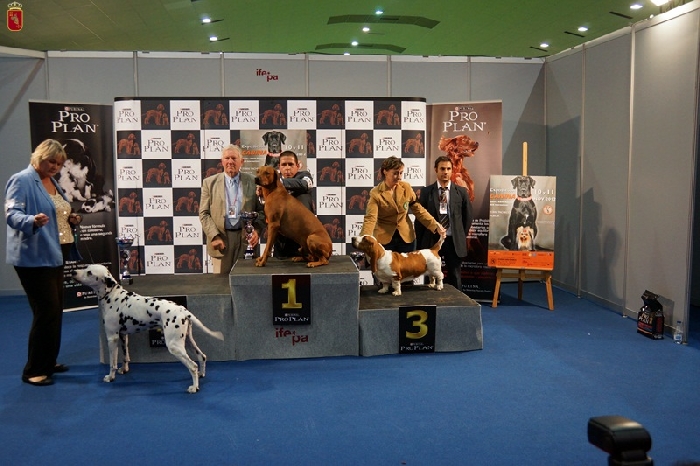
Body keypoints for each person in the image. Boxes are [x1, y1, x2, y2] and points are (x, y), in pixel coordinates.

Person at [5, 139, 83, 386]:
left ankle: (48, 361)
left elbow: (57, 212)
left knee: (55, 311)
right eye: (51, 161)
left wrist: (71, 218)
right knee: (46, 312)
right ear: (39, 157)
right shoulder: (21, 180)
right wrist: (31, 220)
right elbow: (11, 214)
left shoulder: (52, 182)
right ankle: (34, 370)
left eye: (59, 163)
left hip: (55, 254)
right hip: (34, 257)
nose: (55, 167)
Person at [199, 144, 265, 274]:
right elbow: (204, 213)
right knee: (220, 283)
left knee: (246, 279)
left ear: (242, 161)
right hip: (221, 239)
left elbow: (262, 211)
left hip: (246, 239)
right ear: (222, 161)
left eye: (234, 158)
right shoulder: (209, 183)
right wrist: (214, 236)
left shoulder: (254, 182)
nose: (230, 161)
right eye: (227, 158)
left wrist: (256, 231)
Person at [360, 156, 444, 253]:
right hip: (384, 240)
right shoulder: (375, 193)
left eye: (401, 173)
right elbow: (370, 218)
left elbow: (419, 210)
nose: (399, 177)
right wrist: (364, 238)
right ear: (385, 172)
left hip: (407, 239)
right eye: (395, 173)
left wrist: (435, 225)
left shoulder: (406, 187)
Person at [416, 155, 473, 292]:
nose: (445, 172)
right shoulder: (426, 192)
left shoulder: (461, 192)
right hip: (432, 240)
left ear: (452, 170)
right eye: (442, 169)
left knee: (455, 275)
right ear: (436, 169)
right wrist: (421, 242)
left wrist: (460, 235)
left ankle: (457, 303)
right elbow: (420, 218)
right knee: (430, 277)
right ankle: (429, 302)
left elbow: (467, 217)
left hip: (453, 241)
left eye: (448, 169)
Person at [274, 150, 315, 258]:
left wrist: (279, 183)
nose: (287, 168)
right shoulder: (274, 180)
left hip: (302, 238)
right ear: (279, 167)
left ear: (297, 166)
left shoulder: (304, 175)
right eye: (284, 165)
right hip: (281, 239)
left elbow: (305, 184)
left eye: (291, 164)